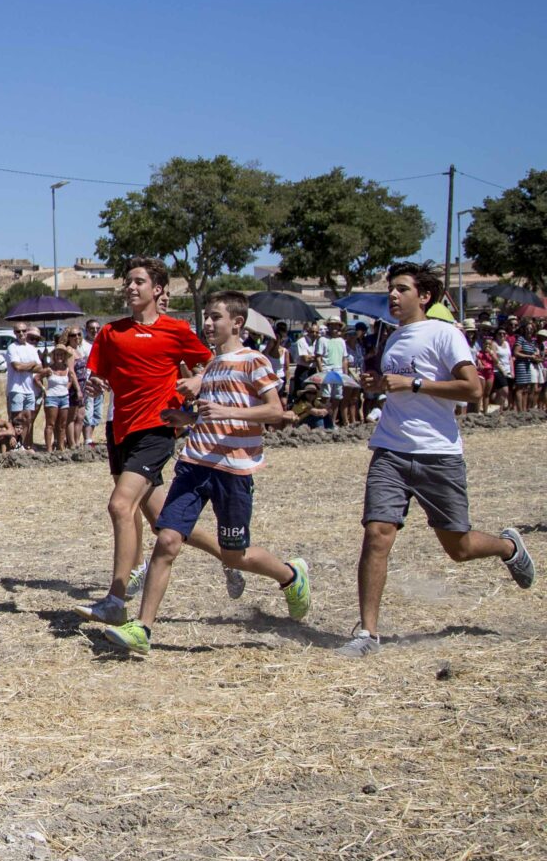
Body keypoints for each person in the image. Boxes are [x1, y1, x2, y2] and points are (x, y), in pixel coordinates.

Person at [93, 293, 312, 657]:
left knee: (235, 556)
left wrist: (226, 412)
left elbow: (275, 411)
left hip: (233, 470)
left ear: (237, 323)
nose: (207, 324)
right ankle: (142, 629)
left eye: (215, 318)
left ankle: (290, 575)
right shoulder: (208, 368)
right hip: (195, 463)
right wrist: (188, 419)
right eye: (206, 317)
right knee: (166, 539)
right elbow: (210, 415)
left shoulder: (253, 361)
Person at [336, 263, 533, 657]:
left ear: (424, 296)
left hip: (438, 454)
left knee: (459, 548)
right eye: (391, 289)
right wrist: (377, 386)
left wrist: (414, 383)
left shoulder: (445, 334)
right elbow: (399, 390)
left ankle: (507, 547)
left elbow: (473, 390)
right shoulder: (394, 338)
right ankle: (368, 634)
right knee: (377, 534)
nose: (393, 295)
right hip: (390, 450)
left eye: (401, 289)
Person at [74, 260, 242, 628]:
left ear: (158, 289)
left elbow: (213, 364)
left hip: (156, 430)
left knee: (120, 505)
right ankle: (230, 558)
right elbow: (98, 377)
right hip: (120, 431)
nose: (131, 287)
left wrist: (197, 381)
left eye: (139, 281)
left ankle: (116, 600)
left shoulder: (176, 330)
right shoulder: (111, 332)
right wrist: (94, 384)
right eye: (128, 281)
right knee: (163, 522)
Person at [3, 325, 42, 448]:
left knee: (27, 419)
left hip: (29, 389)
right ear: (14, 333)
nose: (21, 333)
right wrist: (32, 364)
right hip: (16, 388)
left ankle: (22, 445)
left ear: (27, 332)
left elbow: (39, 367)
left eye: (23, 331)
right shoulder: (12, 347)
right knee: (16, 419)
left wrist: (26, 366)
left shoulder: (31, 348)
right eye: (18, 331)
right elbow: (17, 367)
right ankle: (13, 445)